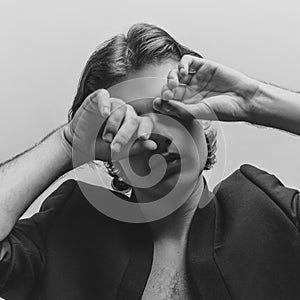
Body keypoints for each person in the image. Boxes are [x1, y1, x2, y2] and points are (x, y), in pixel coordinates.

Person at [0, 23, 299, 300]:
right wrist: (66, 143)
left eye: (172, 110)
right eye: (133, 123)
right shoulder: (69, 229)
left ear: (205, 123)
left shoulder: (270, 212)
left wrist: (256, 101)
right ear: (107, 148)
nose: (159, 138)